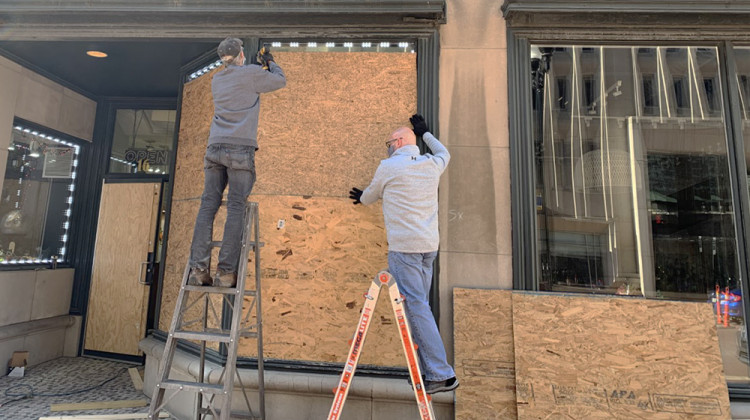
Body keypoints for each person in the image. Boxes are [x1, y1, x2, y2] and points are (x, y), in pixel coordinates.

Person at [349, 114, 458, 394]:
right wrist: (426, 134)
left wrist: (362, 196)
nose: (388, 146)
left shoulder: (389, 166)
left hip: (405, 249)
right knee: (419, 307)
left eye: (389, 142)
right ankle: (428, 371)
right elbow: (444, 153)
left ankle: (441, 373)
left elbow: (370, 196)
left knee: (417, 307)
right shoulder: (430, 163)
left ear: (398, 142)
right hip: (427, 248)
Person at [188, 37, 286, 287]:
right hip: (240, 149)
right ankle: (225, 273)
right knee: (235, 207)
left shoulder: (217, 79)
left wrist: (254, 68)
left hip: (214, 147)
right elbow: (279, 80)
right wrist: (269, 62)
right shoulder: (252, 73)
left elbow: (239, 81)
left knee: (208, 205)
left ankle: (198, 269)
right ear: (242, 54)